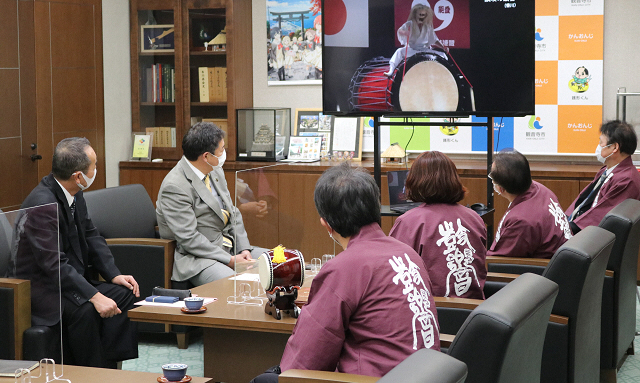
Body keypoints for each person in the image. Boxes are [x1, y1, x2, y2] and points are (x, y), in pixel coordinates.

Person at [251, 163, 440, 383]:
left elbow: (309, 354)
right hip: (424, 374)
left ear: (326, 223)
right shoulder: (408, 253)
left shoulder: (345, 267)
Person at [16, 137, 139, 368]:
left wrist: (113, 275)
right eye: (94, 165)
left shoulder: (74, 193)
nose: (97, 170)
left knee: (124, 293)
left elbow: (92, 234)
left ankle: (110, 365)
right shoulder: (42, 205)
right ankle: (90, 370)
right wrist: (95, 296)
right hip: (44, 288)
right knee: (86, 310)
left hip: (69, 280)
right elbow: (54, 265)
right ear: (78, 176)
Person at [156, 122, 267, 286]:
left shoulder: (215, 170)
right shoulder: (175, 186)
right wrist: (229, 260)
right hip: (198, 258)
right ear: (206, 156)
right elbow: (189, 238)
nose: (224, 153)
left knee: (281, 264)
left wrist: (244, 249)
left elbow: (232, 212)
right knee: (240, 285)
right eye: (221, 150)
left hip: (231, 247)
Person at [389, 151, 487, 300]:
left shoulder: (409, 222)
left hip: (432, 312)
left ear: (414, 181)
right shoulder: (474, 217)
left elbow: (393, 274)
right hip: (476, 311)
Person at [489, 150, 572, 258]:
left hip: (541, 270)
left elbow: (499, 262)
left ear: (500, 189)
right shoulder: (542, 190)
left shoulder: (521, 221)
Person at [566, 120, 640, 234]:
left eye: (601, 142)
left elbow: (601, 216)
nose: (599, 146)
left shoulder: (626, 180)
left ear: (614, 147)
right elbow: (584, 200)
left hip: (595, 237)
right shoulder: (607, 170)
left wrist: (568, 228)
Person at [385, 3, 448, 77]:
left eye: (423, 15)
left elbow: (434, 39)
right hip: (412, 49)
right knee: (399, 52)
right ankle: (391, 71)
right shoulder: (410, 24)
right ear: (415, 15)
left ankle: (445, 73)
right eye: (420, 14)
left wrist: (443, 47)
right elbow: (400, 31)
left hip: (423, 50)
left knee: (442, 55)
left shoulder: (427, 26)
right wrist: (405, 32)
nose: (422, 17)